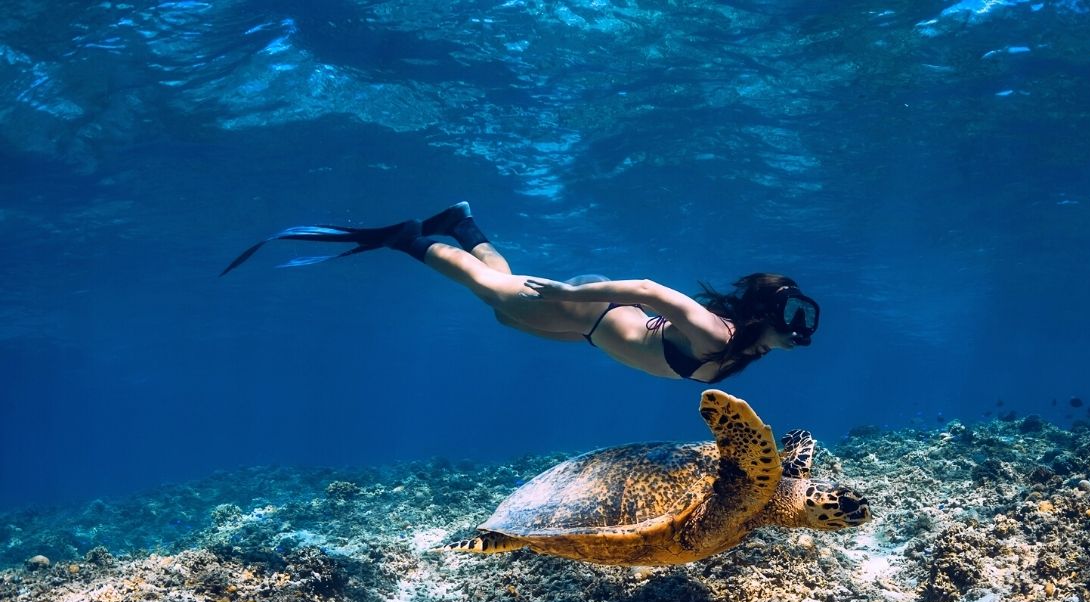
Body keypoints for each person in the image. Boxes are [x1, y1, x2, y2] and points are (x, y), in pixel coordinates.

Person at [222, 202, 820, 384]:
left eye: (801, 320)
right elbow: (648, 290)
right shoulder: (720, 334)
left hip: (592, 331)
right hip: (598, 309)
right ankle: (405, 239)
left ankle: (460, 224)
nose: (799, 330)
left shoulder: (752, 348)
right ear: (764, 316)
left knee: (503, 311)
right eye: (792, 318)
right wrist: (568, 288)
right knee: (490, 289)